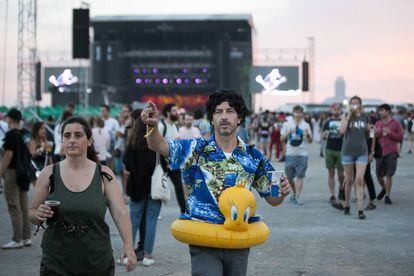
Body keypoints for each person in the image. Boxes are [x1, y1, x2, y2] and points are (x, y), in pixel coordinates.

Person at [141, 90, 291, 276]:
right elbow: (158, 145)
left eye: (230, 111)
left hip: (238, 240)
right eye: (218, 112)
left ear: (239, 118)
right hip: (204, 239)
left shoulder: (253, 157)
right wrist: (152, 127)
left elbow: (273, 199)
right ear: (211, 119)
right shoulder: (197, 149)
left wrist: (282, 192)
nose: (224, 117)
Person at [29, 116, 137, 274]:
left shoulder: (103, 174)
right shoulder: (49, 173)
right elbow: (31, 212)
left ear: (89, 141)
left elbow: (120, 213)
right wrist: (38, 214)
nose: (72, 140)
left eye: (78, 135)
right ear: (62, 141)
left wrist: (129, 246)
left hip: (97, 263)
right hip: (56, 264)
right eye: (67, 136)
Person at [123, 109, 161, 267]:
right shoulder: (155, 142)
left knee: (133, 222)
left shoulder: (132, 142)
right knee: (151, 221)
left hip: (137, 186)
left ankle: (128, 254)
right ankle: (147, 255)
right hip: (154, 187)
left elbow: (127, 165)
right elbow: (163, 162)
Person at [0, 109, 32, 249]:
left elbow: (8, 156)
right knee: (24, 205)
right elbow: (30, 151)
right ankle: (26, 238)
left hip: (12, 172)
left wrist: (0, 172)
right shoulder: (25, 133)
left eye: (7, 119)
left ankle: (16, 238)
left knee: (13, 205)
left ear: (10, 119)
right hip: (24, 172)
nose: (6, 121)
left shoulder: (10, 134)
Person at [338, 96, 371, 219]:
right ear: (349, 104)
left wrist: (371, 131)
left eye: (357, 103)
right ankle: (346, 205)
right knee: (349, 180)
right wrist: (348, 116)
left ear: (361, 104)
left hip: (362, 152)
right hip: (347, 152)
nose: (355, 105)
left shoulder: (364, 117)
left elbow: (370, 133)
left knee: (359, 180)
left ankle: (360, 210)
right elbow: (341, 131)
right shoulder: (346, 115)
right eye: (352, 103)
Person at [281, 105, 312, 205]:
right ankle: (294, 192)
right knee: (289, 176)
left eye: (300, 112)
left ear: (302, 114)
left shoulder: (306, 125)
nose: (298, 114)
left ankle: (297, 196)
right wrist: (288, 133)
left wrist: (307, 135)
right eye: (296, 112)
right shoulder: (287, 124)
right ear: (293, 113)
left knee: (300, 176)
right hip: (290, 153)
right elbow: (282, 138)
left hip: (302, 154)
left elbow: (310, 141)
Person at [158, 103, 186, 214]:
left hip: (174, 161)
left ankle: (184, 212)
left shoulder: (175, 126)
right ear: (168, 113)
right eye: (174, 111)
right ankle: (156, 212)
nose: (177, 113)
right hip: (162, 162)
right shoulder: (161, 126)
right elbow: (156, 144)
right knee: (159, 186)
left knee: (179, 187)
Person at [375, 104, 404, 204]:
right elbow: (372, 135)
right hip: (379, 152)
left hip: (391, 152)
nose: (380, 112)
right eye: (380, 111)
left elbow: (400, 137)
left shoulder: (396, 123)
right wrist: (377, 131)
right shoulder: (378, 123)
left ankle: (387, 195)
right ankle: (384, 188)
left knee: (389, 174)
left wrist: (390, 132)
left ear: (388, 111)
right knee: (378, 175)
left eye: (382, 110)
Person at [322, 104, 344, 204]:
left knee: (341, 174)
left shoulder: (343, 121)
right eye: (334, 109)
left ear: (340, 110)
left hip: (341, 150)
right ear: (331, 110)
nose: (336, 111)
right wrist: (324, 135)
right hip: (330, 149)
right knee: (330, 173)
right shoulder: (327, 122)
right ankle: (332, 195)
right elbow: (322, 135)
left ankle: (341, 188)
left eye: (338, 109)